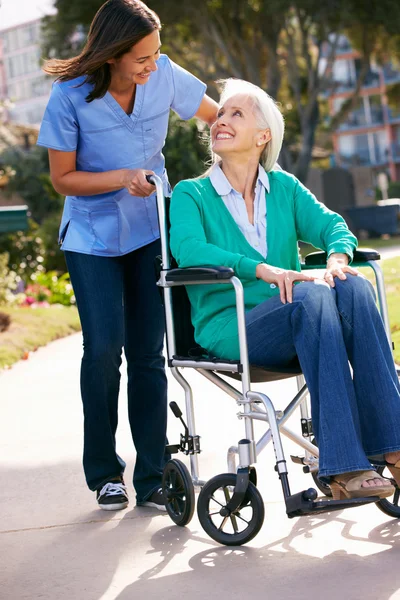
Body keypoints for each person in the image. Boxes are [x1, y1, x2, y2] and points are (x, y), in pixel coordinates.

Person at [169, 78, 400, 500]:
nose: (220, 120)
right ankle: (344, 468)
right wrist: (262, 270)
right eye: (220, 113)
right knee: (310, 295)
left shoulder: (285, 188)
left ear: (263, 136)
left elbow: (334, 226)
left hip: (302, 320)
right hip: (232, 325)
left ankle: (395, 447)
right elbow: (188, 249)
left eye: (236, 113)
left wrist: (336, 259)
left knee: (351, 287)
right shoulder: (192, 194)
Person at [37, 0, 218, 511]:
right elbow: (61, 179)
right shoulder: (70, 96)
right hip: (91, 239)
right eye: (141, 57)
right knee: (102, 351)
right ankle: (104, 473)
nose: (152, 65)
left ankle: (154, 476)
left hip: (149, 233)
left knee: (147, 355)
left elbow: (217, 118)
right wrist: (121, 178)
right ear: (113, 54)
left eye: (157, 54)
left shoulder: (162, 75)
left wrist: (239, 151)